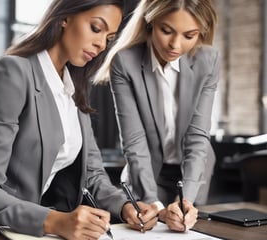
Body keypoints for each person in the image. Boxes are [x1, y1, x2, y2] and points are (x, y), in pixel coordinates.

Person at [0, 1, 159, 239]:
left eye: (109, 37)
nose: (100, 44)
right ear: (64, 17)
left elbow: (93, 174)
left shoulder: (73, 87)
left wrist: (126, 207)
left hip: (24, 231)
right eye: (96, 28)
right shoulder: (13, 72)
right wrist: (55, 220)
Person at [94, 0, 220, 232]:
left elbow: (197, 135)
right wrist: (153, 202)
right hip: (146, 172)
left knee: (186, 230)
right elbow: (134, 141)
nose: (175, 45)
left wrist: (186, 201)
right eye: (166, 31)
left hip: (192, 172)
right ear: (150, 22)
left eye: (189, 35)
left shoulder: (208, 60)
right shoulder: (125, 62)